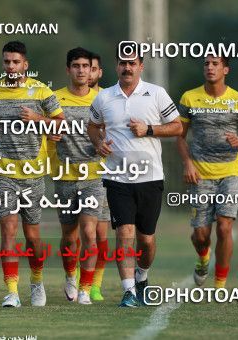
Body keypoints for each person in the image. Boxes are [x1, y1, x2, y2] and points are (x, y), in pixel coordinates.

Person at [88, 43, 182, 307]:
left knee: (146, 240)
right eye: (122, 62)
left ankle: (142, 276)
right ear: (116, 66)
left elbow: (177, 127)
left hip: (150, 177)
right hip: (117, 178)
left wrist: (149, 129)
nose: (127, 67)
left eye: (132, 63)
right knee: (124, 233)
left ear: (141, 66)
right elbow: (93, 126)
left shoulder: (156, 93)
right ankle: (128, 291)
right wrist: (98, 144)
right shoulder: (104, 97)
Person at [0, 41, 64, 307]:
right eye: (7, 62)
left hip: (33, 173)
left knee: (32, 237)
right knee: (8, 232)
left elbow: (61, 125)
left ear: (25, 64)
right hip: (4, 172)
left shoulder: (42, 91)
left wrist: (39, 119)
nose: (11, 66)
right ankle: (12, 292)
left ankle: (37, 282)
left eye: (16, 62)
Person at [176, 55, 238, 288]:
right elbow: (179, 136)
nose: (210, 67)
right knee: (201, 235)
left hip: (230, 173)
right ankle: (203, 257)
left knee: (225, 227)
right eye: (206, 63)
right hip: (200, 175)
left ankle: (220, 284)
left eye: (215, 64)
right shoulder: (190, 97)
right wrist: (187, 163)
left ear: (226, 69)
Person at [49, 47, 109, 305]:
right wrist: (48, 134)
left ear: (91, 69)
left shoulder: (104, 99)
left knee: (89, 232)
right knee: (69, 238)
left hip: (95, 175)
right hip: (64, 176)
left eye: (86, 66)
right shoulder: (54, 98)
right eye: (76, 66)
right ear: (68, 69)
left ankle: (86, 288)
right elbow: (44, 127)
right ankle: (71, 275)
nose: (81, 70)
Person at [87, 51, 109, 302]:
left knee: (100, 235)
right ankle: (79, 281)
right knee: (79, 235)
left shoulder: (108, 98)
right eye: (83, 68)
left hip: (104, 175)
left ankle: (95, 284)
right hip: (74, 174)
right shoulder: (63, 98)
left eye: (93, 69)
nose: (88, 73)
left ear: (99, 72)